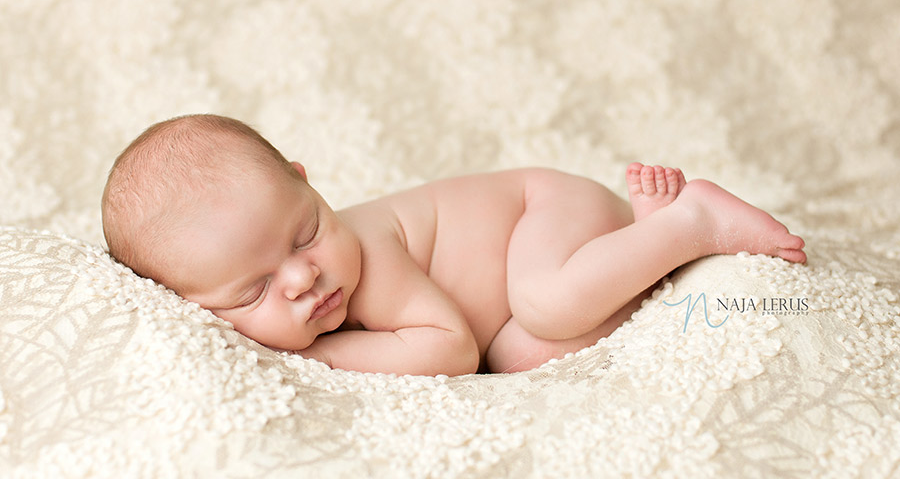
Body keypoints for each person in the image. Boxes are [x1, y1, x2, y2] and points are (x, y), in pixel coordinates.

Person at [101, 114, 806, 375]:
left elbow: (448, 349)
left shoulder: (366, 259)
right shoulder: (309, 270)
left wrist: (321, 352)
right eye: (253, 291)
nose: (303, 278)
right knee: (527, 354)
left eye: (307, 231)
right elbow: (484, 354)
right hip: (512, 289)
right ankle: (648, 242)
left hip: (545, 209)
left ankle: (692, 224)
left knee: (547, 301)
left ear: (305, 181)